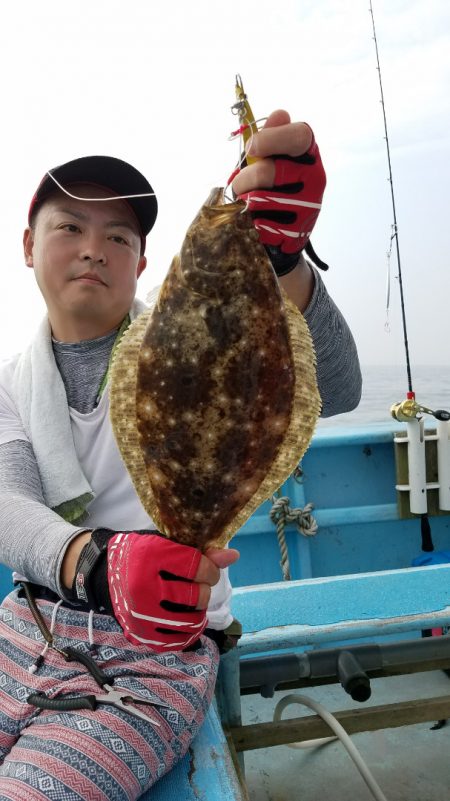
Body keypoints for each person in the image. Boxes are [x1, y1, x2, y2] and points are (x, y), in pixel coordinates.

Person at [0, 110, 361, 800]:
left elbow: (336, 390)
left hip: (156, 653)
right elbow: (7, 500)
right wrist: (96, 560)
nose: (92, 249)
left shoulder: (189, 327)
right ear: (27, 245)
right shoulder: (9, 380)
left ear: (143, 263)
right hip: (28, 625)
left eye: (118, 236)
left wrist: (283, 261)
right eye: (69, 227)